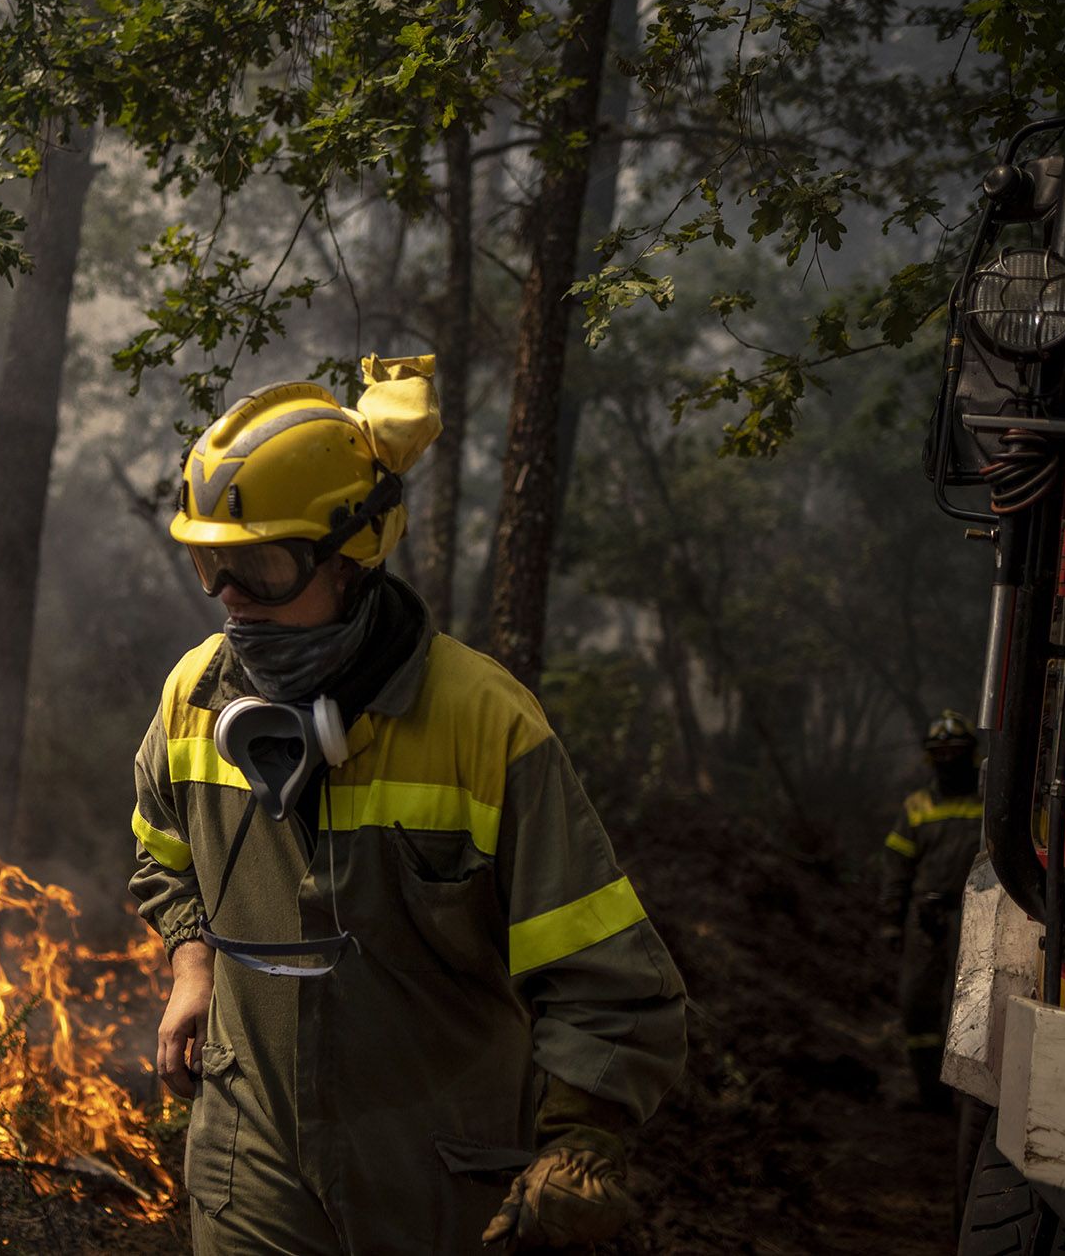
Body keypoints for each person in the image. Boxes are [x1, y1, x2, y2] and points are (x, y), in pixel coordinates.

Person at [128, 354, 687, 1255]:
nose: (229, 599)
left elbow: (610, 979)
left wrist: (581, 1136)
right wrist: (195, 966)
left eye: (261, 566)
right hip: (252, 1173)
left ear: (355, 553)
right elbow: (162, 855)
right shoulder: (193, 697)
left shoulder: (482, 723)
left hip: (439, 1183)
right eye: (209, 565)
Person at [878, 709, 984, 1111]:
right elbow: (896, 867)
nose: (948, 760)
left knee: (971, 1008)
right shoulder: (917, 806)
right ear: (928, 758)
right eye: (939, 753)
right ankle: (929, 1093)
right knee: (917, 1002)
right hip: (925, 921)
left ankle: (969, 1099)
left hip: (975, 921)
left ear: (972, 755)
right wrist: (890, 919)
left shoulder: (989, 803)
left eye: (956, 751)